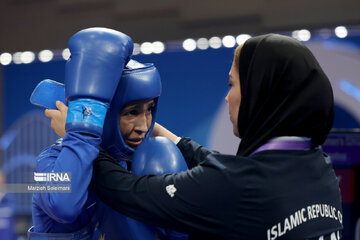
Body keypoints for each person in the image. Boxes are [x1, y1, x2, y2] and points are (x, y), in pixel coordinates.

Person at [89, 34, 343, 239]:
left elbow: (131, 192)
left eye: (231, 85)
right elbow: (229, 171)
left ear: (260, 93)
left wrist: (83, 133)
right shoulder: (319, 165)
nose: (227, 97)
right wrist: (160, 130)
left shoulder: (240, 186)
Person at [28, 27, 187, 240]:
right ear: (103, 113)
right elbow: (63, 206)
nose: (143, 125)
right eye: (132, 112)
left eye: (150, 109)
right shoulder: (51, 159)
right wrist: (79, 129)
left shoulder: (133, 161)